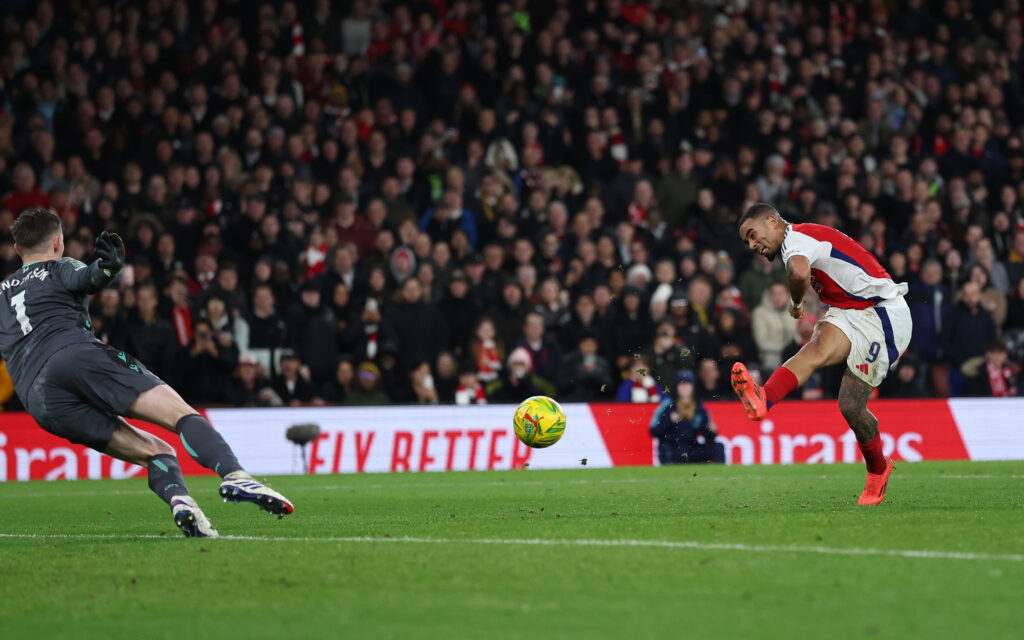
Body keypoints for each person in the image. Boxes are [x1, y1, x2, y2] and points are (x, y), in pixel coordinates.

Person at [0, 210, 293, 537]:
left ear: (16, 248)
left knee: (157, 451)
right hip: (75, 356)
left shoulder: (1, 293)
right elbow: (91, 277)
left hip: (39, 399)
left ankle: (181, 502)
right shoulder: (60, 267)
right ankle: (235, 475)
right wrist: (108, 266)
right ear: (57, 242)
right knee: (182, 415)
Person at [731, 203, 913, 506]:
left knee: (851, 405)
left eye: (752, 235)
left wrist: (797, 303)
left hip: (882, 313)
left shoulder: (795, 240)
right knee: (815, 349)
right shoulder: (798, 239)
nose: (752, 245)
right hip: (849, 309)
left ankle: (878, 470)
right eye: (746, 242)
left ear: (772, 222)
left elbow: (800, 273)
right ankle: (765, 397)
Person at [649, 370, 725, 464]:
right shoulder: (667, 405)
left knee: (718, 447)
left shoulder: (699, 407)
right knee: (675, 450)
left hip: (692, 448)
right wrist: (669, 421)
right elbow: (653, 431)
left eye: (688, 384)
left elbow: (708, 436)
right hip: (673, 448)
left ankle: (721, 474)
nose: (684, 387)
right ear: (676, 387)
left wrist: (711, 431)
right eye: (681, 384)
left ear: (693, 387)